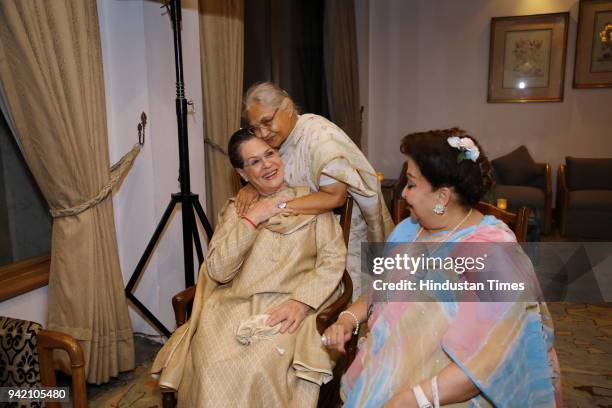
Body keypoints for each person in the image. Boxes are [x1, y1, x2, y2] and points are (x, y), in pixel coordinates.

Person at [323, 128, 561, 407]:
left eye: (411, 184)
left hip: (450, 393)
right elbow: (381, 288)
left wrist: (415, 398)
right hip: (385, 373)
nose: (403, 193)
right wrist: (348, 319)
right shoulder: (407, 231)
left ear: (442, 197)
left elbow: (492, 358)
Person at [151, 129, 346, 407]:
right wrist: (253, 218)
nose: (267, 164)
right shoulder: (237, 210)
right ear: (242, 174)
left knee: (256, 368)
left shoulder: (312, 203)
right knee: (210, 368)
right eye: (254, 162)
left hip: (285, 307)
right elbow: (218, 271)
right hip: (230, 307)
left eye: (269, 154)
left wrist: (301, 303)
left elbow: (333, 260)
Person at [238, 82, 394, 299]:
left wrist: (277, 206)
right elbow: (272, 174)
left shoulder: (320, 137)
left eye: (267, 121)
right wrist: (251, 187)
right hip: (301, 240)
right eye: (255, 128)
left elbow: (334, 197)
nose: (262, 133)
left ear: (287, 107)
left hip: (342, 239)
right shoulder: (282, 138)